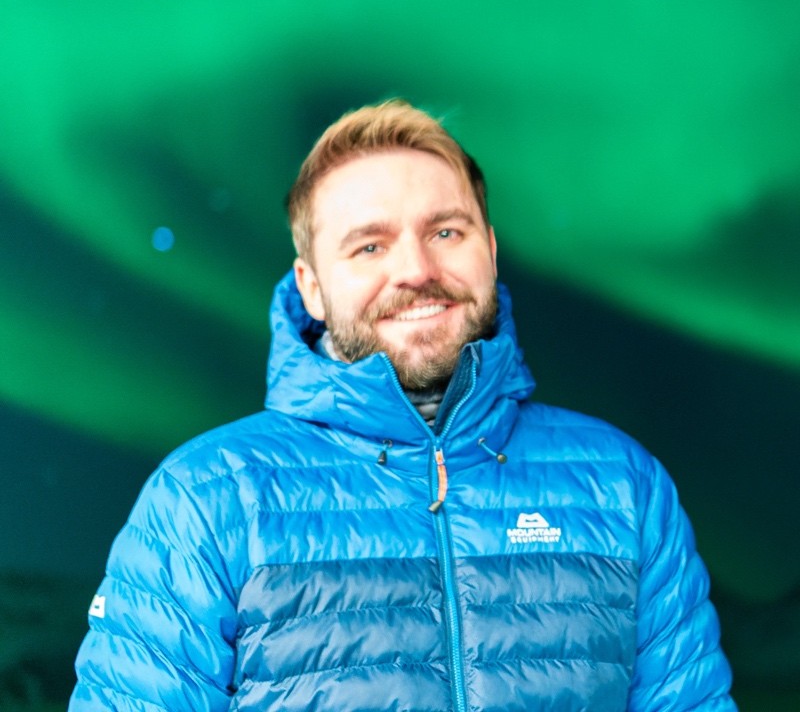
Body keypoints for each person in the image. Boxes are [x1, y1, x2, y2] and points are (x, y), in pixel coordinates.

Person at [69, 100, 736, 711]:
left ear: (491, 251)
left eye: (447, 232)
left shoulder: (622, 487)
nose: (416, 269)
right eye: (370, 245)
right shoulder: (207, 500)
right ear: (312, 287)